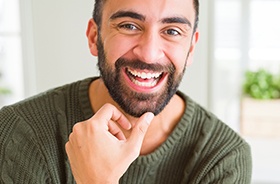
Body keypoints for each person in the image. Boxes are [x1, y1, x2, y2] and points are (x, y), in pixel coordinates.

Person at [0, 0, 252, 183]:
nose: (149, 53)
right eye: (129, 26)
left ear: (191, 48)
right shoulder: (20, 131)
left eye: (172, 31)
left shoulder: (223, 157)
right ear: (93, 37)